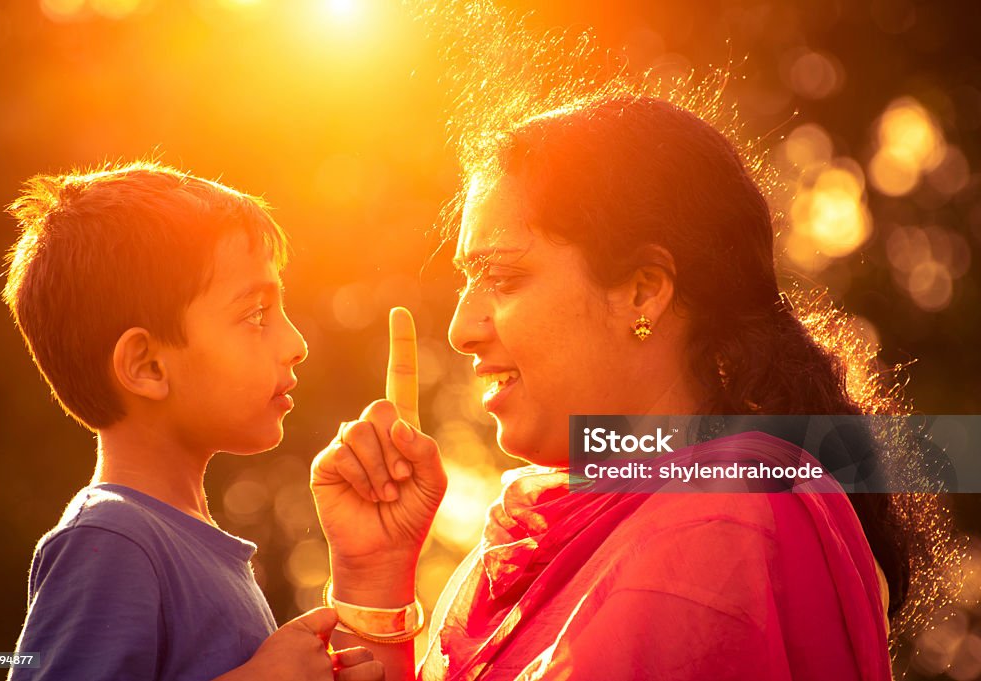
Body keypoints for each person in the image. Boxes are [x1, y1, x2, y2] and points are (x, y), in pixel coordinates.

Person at [311, 96, 949, 680]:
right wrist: (376, 574)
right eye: (466, 283)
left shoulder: (720, 529)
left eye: (501, 279)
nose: (460, 330)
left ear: (642, 291)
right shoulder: (544, 545)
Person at [3, 162, 383, 681]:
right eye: (256, 314)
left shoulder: (178, 540)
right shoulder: (111, 539)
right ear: (148, 366)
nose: (297, 344)